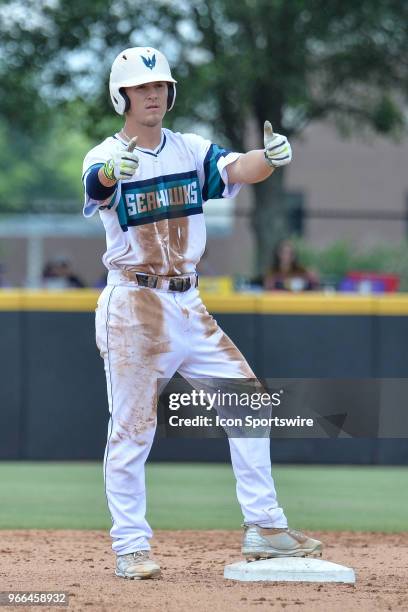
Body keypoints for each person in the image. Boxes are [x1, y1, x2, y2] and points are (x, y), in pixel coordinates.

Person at [82, 46, 322, 580]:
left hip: (188, 302)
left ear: (170, 93)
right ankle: (131, 546)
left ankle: (264, 525)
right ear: (121, 96)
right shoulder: (105, 152)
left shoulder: (188, 148)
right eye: (141, 88)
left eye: (160, 86)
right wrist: (108, 171)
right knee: (132, 429)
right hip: (135, 303)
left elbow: (237, 167)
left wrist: (272, 157)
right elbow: (96, 185)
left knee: (250, 405)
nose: (153, 94)